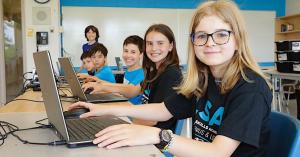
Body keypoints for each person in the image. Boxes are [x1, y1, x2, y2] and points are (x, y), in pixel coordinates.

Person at [81, 24, 182, 130]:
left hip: (153, 138)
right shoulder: (154, 71)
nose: (154, 48)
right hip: (142, 126)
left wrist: (124, 123)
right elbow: (134, 90)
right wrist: (102, 89)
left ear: (171, 46)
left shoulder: (170, 74)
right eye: (149, 44)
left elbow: (152, 119)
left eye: (160, 43)